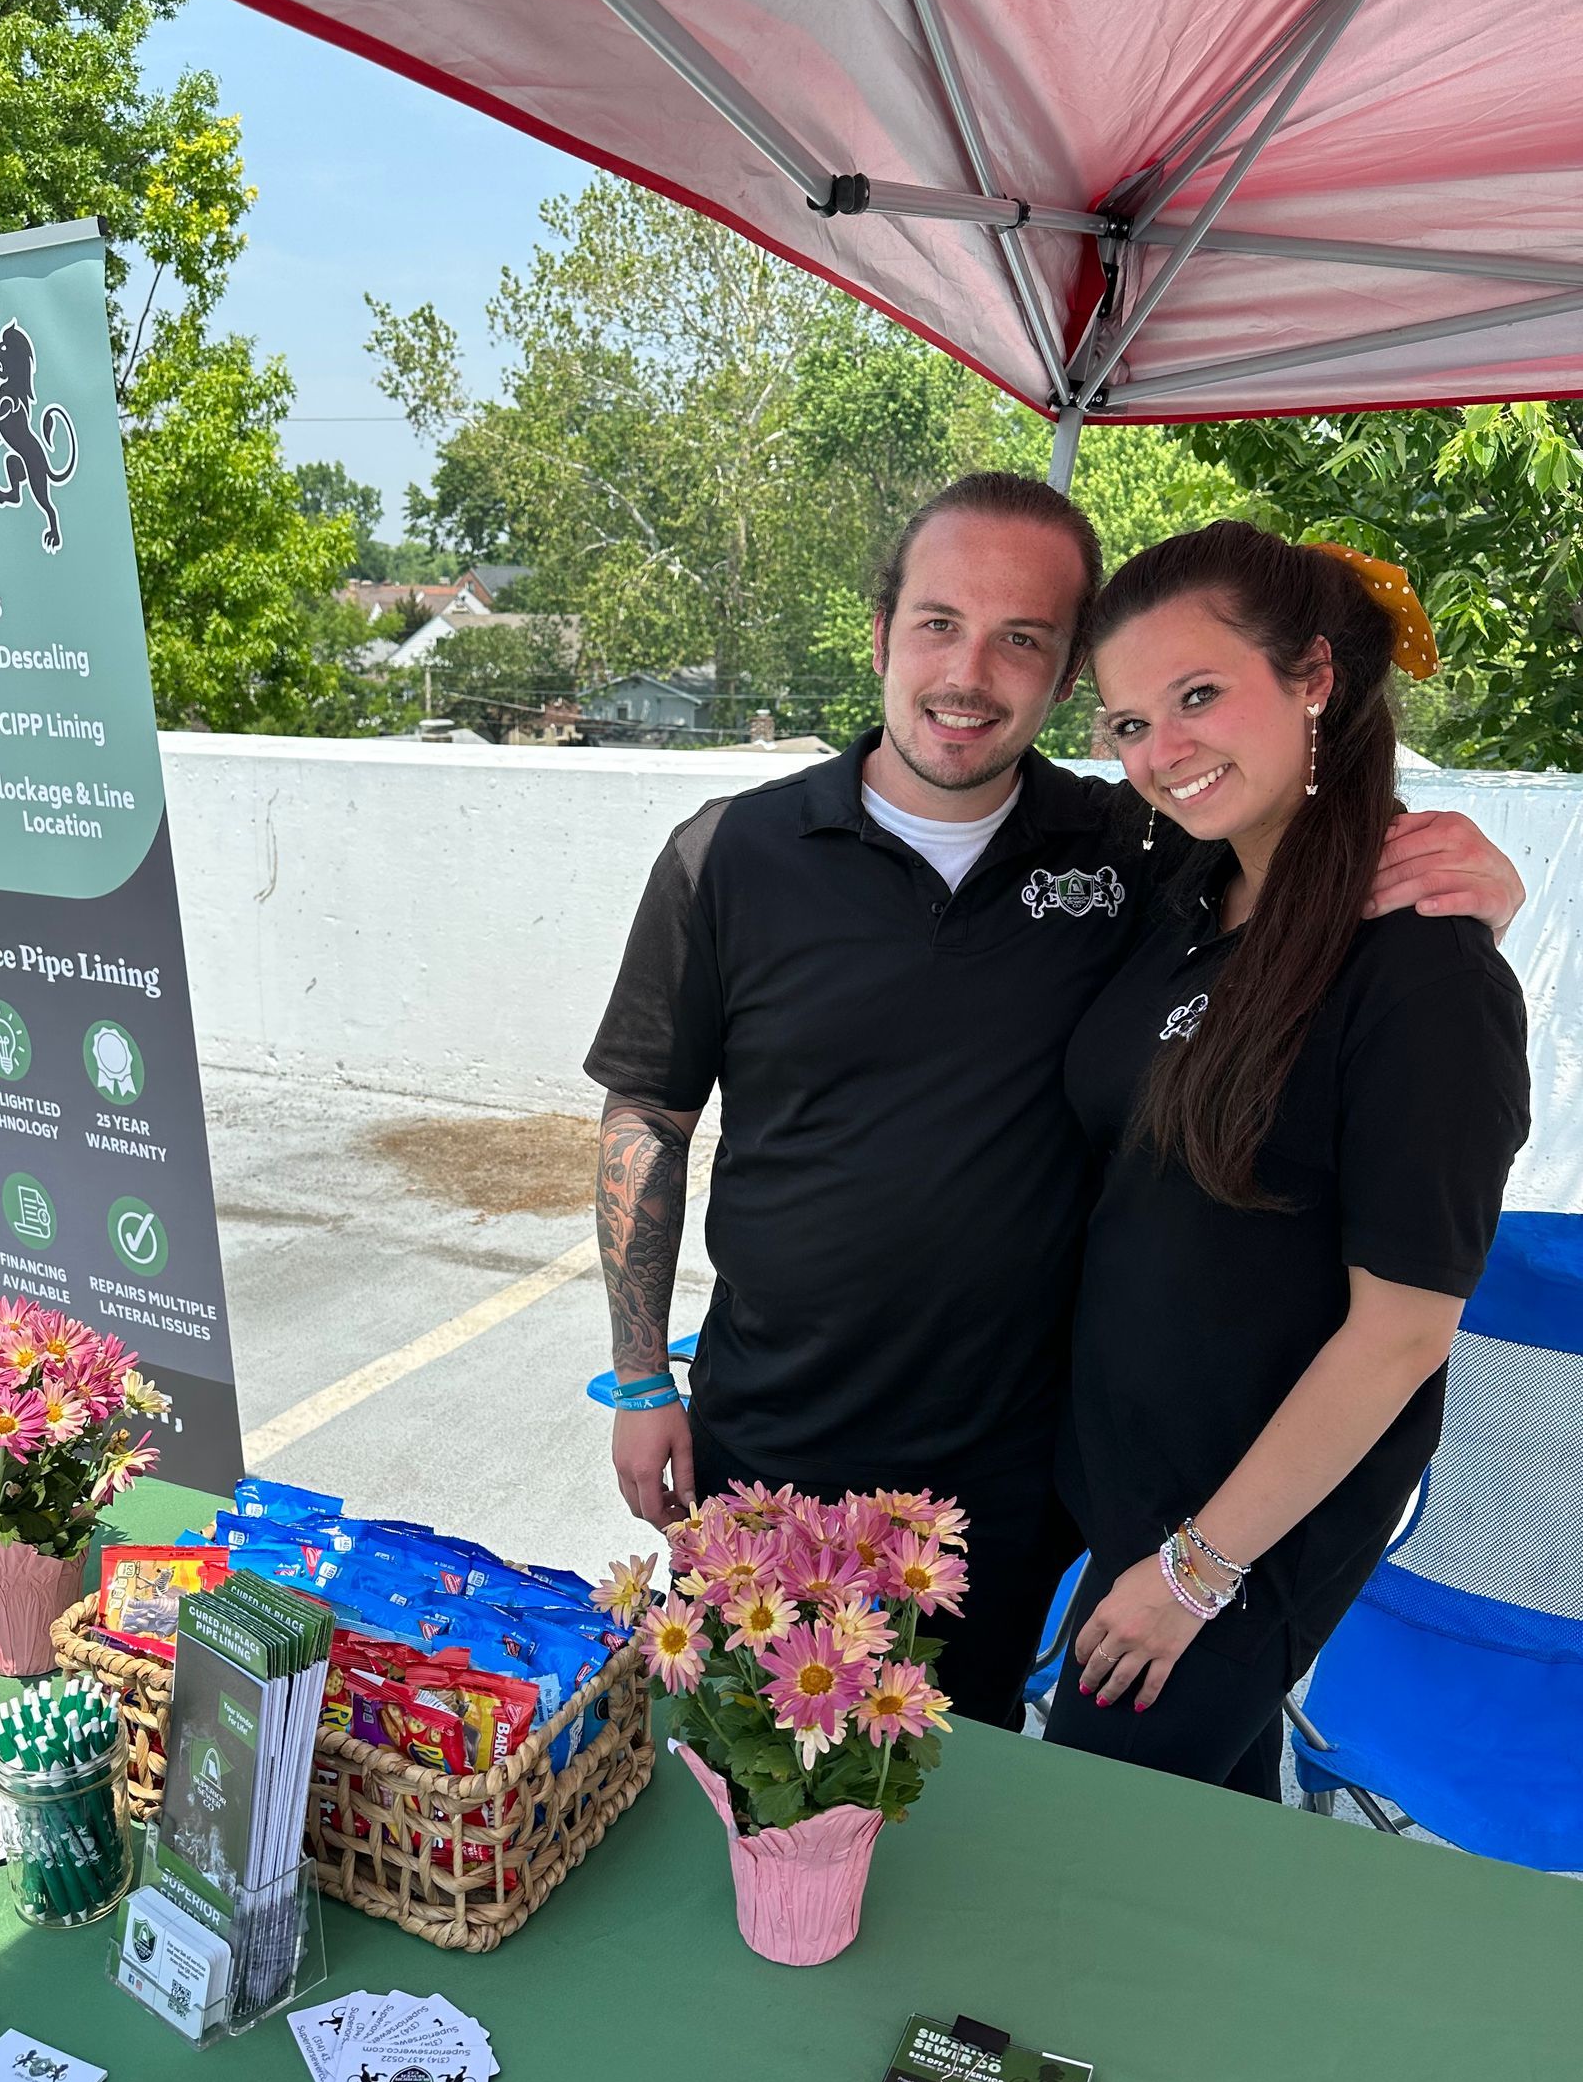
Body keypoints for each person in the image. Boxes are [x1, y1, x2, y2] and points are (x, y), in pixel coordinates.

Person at [584, 473, 1525, 1730]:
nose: (969, 671)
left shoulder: (1132, 847)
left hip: (1014, 1462)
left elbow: (1308, 881)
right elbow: (648, 1112)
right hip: (775, 1428)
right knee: (750, 1762)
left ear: (1060, 667)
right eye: (937, 623)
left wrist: (1476, 894)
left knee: (956, 1788)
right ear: (880, 635)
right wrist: (643, 1379)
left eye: (1022, 637)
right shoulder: (729, 853)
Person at [1046, 523, 1530, 1796]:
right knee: (1180, 1834)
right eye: (1130, 722)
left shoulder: (1420, 967)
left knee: (1120, 1854)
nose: (1161, 752)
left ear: (1314, 676)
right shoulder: (1189, 897)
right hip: (1118, 1483)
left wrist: (1197, 1574)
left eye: (1198, 695)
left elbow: (1404, 1333)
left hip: (1231, 1540)